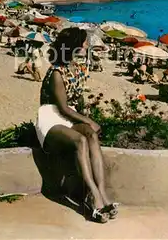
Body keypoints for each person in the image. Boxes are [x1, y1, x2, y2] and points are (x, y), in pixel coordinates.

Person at [37, 28, 117, 223]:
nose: (87, 45)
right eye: (84, 42)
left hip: (69, 116)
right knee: (80, 140)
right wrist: (89, 120)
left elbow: (76, 103)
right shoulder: (56, 72)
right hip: (50, 118)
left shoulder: (79, 69)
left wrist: (87, 121)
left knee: (91, 135)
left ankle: (102, 192)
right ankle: (92, 195)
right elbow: (63, 108)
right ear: (74, 46)